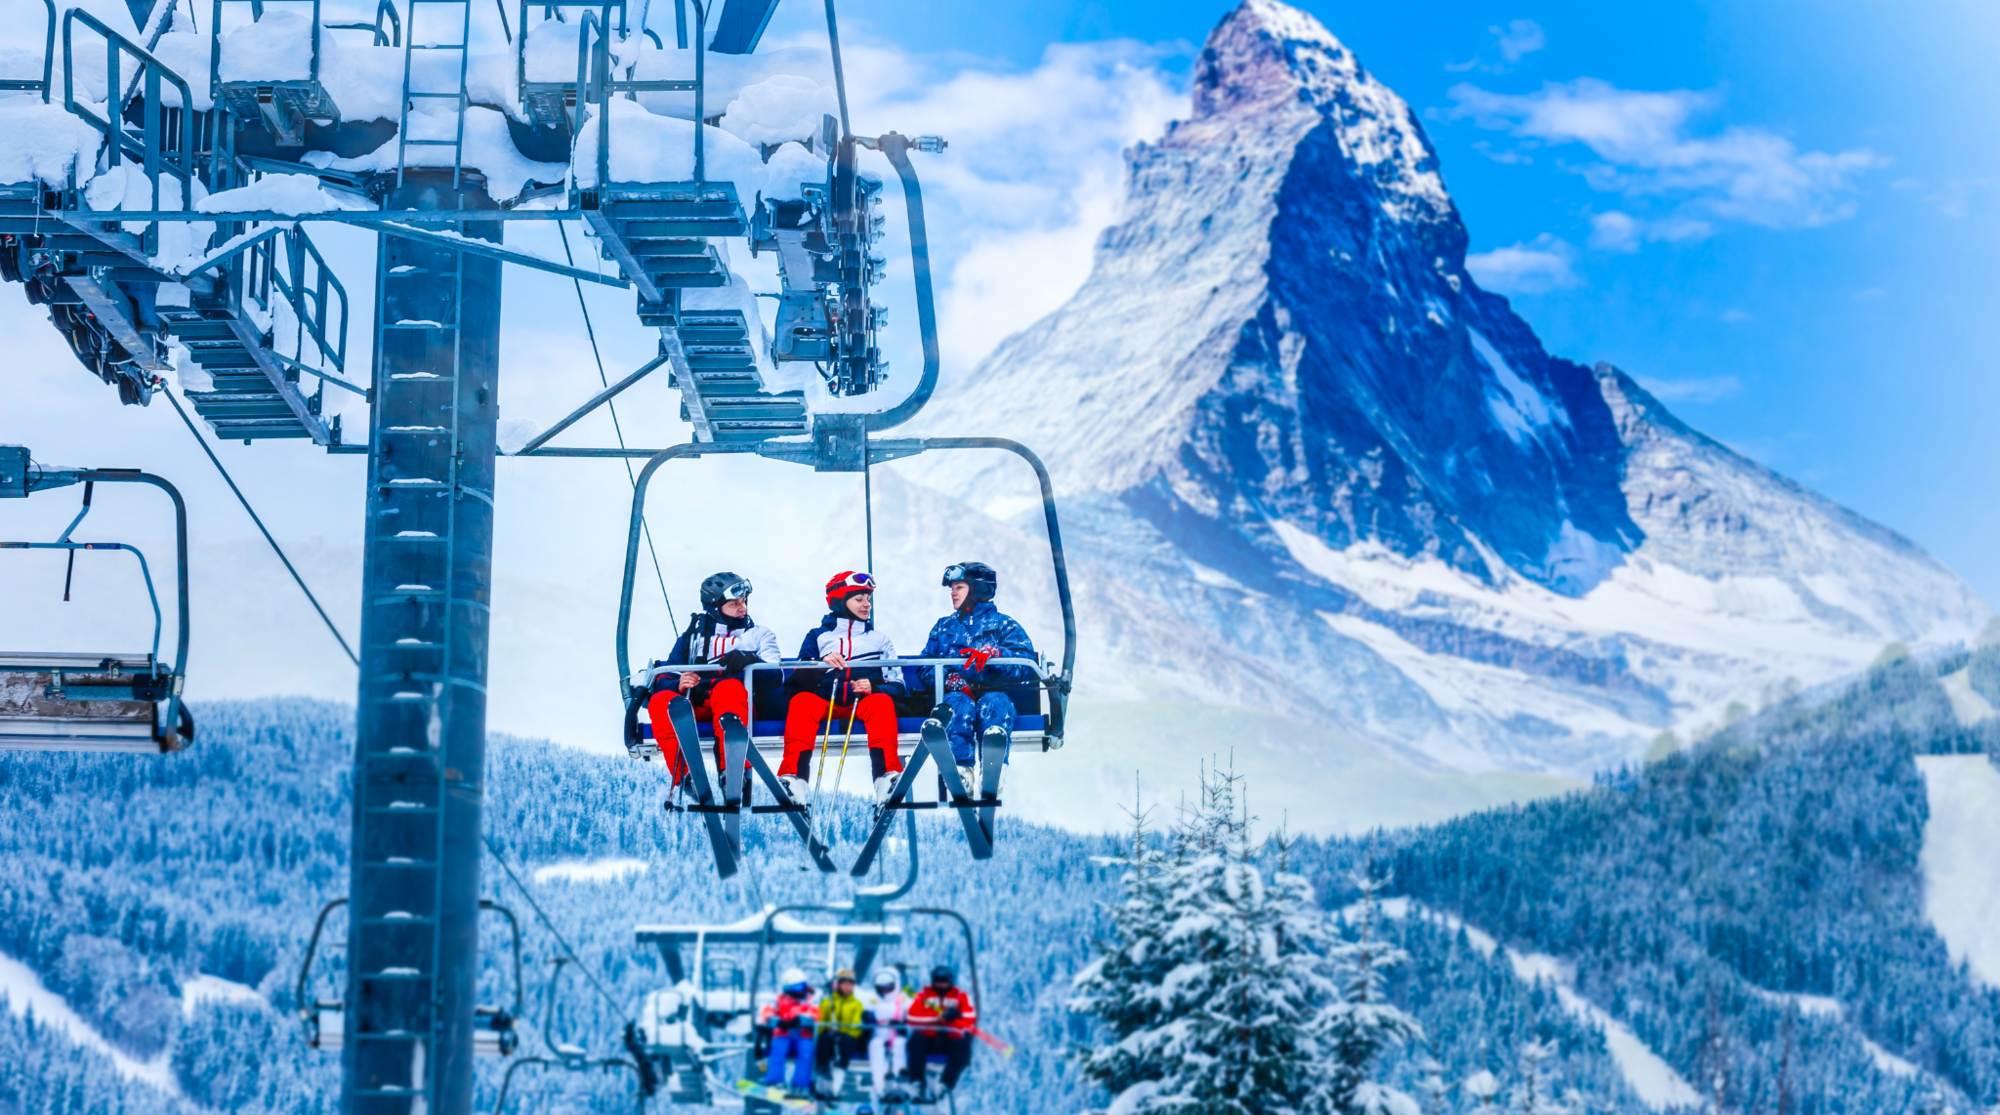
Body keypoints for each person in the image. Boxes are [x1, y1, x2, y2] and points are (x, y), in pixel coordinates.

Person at [645, 572, 784, 792]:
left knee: (728, 688)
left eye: (744, 601)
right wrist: (678, 684)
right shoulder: (692, 639)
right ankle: (686, 778)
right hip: (699, 706)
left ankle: (733, 772)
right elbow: (664, 678)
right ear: (715, 608)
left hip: (738, 705)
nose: (743, 608)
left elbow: (774, 676)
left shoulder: (759, 635)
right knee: (662, 700)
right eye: (734, 603)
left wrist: (751, 660)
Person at [782, 571, 908, 804]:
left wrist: (875, 687)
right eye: (859, 599)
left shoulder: (880, 640)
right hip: (824, 699)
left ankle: (886, 777)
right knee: (801, 703)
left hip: (863, 701)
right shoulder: (818, 636)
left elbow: (898, 685)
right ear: (840, 601)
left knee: (881, 703)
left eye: (868, 599)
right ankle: (794, 779)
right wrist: (821, 665)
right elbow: (798, 681)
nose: (866, 605)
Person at [914, 562, 1037, 795]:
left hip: (995, 690)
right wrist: (950, 680)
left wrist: (998, 655)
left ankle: (994, 768)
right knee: (957, 706)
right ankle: (962, 771)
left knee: (995, 704)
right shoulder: (944, 627)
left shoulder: (1003, 625)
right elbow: (924, 666)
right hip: (957, 695)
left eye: (959, 587)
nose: (953, 593)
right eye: (952, 588)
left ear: (978, 589)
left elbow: (1025, 663)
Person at [902, 965, 976, 1097]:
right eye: (938, 982)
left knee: (962, 1047)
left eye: (944, 982)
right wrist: (935, 1017)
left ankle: (945, 1084)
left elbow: (970, 1016)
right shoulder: (923, 997)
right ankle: (917, 1082)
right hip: (929, 1037)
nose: (941, 985)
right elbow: (912, 1017)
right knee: (915, 1042)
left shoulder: (960, 997)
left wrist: (956, 1014)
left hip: (950, 1038)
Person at [760, 968, 819, 1093]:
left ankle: (800, 1085)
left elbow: (816, 1013)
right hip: (783, 1033)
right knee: (778, 1048)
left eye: (802, 986)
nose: (801, 990)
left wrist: (802, 1020)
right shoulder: (779, 999)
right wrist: (777, 1021)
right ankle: (775, 1081)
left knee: (807, 1051)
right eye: (797, 988)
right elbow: (767, 1011)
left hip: (803, 1035)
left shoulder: (811, 999)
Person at [813, 968, 869, 1094]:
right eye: (844, 984)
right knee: (824, 1041)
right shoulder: (828, 1002)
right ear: (838, 984)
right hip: (830, 1036)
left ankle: (835, 1087)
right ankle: (822, 1077)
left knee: (847, 1044)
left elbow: (856, 1025)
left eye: (850, 984)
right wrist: (823, 1032)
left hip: (847, 1037)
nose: (847, 987)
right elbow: (821, 1023)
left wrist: (843, 1032)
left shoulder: (856, 1004)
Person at [863, 967, 911, 1100]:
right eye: (882, 987)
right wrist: (867, 1016)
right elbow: (867, 1012)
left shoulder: (903, 1000)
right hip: (879, 1033)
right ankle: (879, 1081)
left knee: (900, 1045)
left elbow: (912, 1015)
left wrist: (903, 1025)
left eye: (888, 986)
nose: (885, 990)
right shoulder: (873, 1000)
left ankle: (899, 1080)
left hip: (897, 1034)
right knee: (875, 1046)